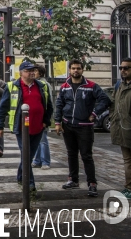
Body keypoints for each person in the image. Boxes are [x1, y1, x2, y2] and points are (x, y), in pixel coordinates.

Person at [55, 59, 110, 197]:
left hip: (85, 127)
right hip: (68, 125)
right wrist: (57, 122)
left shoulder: (91, 86)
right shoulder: (64, 87)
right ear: (69, 70)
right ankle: (73, 180)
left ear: (82, 70)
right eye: (73, 68)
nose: (75, 71)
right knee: (71, 154)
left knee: (86, 156)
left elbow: (105, 100)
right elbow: (59, 105)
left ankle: (92, 184)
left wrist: (94, 113)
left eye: (78, 68)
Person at [0, 61, 53, 192]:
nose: (32, 72)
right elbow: (2, 108)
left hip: (38, 127)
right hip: (21, 128)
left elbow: (49, 106)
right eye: (28, 70)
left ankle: (21, 176)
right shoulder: (12, 87)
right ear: (21, 73)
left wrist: (46, 121)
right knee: (26, 155)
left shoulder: (42, 86)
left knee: (29, 156)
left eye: (33, 70)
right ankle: (30, 184)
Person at [111, 57, 131, 199]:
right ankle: (129, 187)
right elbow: (114, 104)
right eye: (121, 68)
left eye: (126, 68)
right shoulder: (119, 85)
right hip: (123, 129)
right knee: (127, 160)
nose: (123, 70)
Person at [32, 65, 53, 169]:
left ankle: (45, 161)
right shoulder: (35, 84)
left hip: (43, 117)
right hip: (36, 118)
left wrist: (47, 118)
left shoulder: (45, 84)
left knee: (43, 140)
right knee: (38, 140)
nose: (33, 73)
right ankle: (37, 160)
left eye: (35, 72)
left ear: (40, 73)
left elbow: (49, 103)